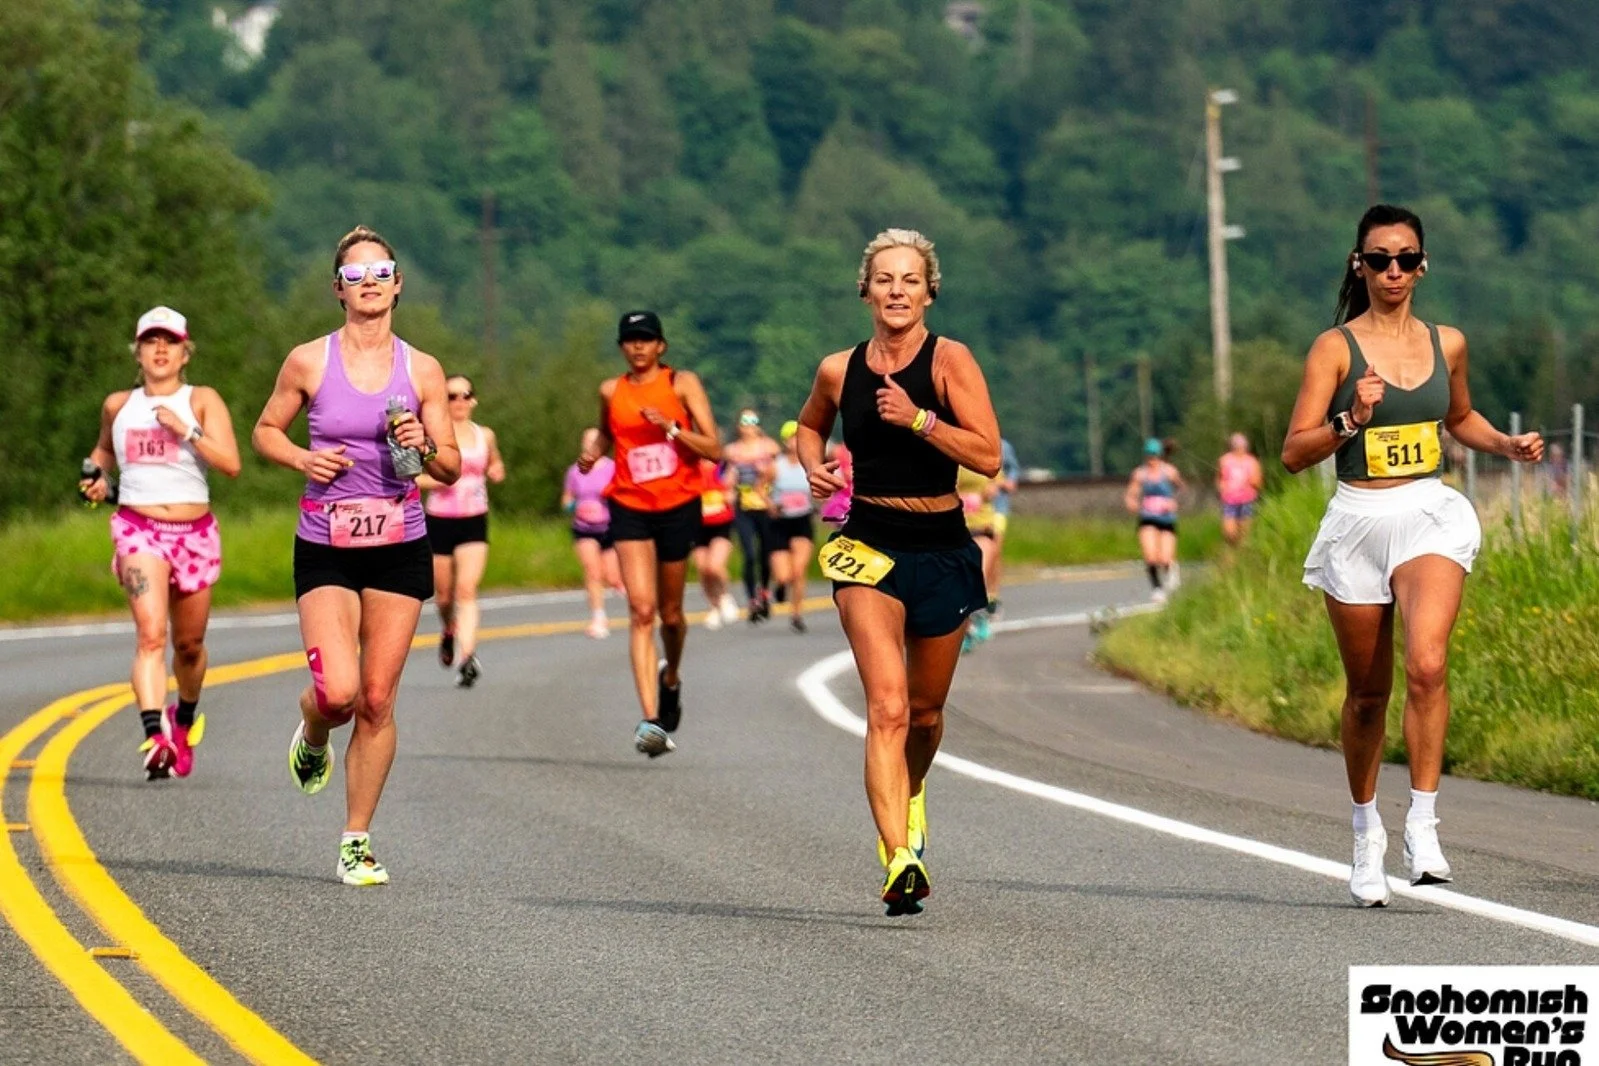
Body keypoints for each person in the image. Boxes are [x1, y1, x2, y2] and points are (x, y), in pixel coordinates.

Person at [1281, 204, 1543, 907]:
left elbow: (1458, 417)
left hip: (1428, 513)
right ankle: (1364, 831)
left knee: (1427, 665)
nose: (1391, 271)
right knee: (1367, 695)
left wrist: (1505, 445)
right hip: (1358, 522)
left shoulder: (1447, 342)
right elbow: (1293, 452)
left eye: (1403, 259)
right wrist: (1350, 419)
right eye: (1378, 259)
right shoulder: (1335, 350)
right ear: (1359, 266)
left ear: (1421, 266)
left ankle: (1422, 825)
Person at [795, 228, 1000, 916]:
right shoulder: (838, 369)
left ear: (929, 291)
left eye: (910, 280)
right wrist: (813, 465)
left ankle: (911, 792)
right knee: (886, 708)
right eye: (884, 279)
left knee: (925, 714)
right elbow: (808, 425)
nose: (897, 291)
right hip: (869, 541)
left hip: (941, 545)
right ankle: (899, 857)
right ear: (865, 290)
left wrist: (919, 421)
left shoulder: (950, 360)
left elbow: (988, 455)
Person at [252, 225, 461, 886]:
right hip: (327, 543)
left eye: (381, 272)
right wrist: (301, 458)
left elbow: (451, 468)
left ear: (398, 285)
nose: (368, 282)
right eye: (355, 274)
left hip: (400, 541)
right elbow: (265, 430)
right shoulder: (307, 361)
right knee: (338, 694)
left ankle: (356, 841)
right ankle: (314, 725)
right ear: (338, 289)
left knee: (375, 699)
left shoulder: (422, 369)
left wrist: (424, 445)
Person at [80, 306, 241, 780]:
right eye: (151, 341)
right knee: (151, 635)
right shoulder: (118, 406)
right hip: (139, 529)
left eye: (170, 342)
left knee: (189, 645)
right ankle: (155, 739)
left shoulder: (202, 400)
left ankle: (183, 721)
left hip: (194, 533)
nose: (160, 350)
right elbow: (102, 452)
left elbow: (231, 464)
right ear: (138, 352)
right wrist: (94, 479)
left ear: (185, 353)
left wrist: (185, 430)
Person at [577, 310, 721, 757]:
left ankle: (670, 677)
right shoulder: (611, 390)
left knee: (671, 615)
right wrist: (592, 453)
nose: (638, 346)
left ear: (661, 346)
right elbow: (607, 432)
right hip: (629, 504)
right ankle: (651, 720)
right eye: (630, 340)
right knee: (641, 610)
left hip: (678, 503)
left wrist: (671, 428)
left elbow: (714, 448)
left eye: (646, 339)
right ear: (622, 346)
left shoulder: (682, 383)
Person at [420, 375, 505, 687]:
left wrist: (495, 470)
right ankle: (448, 630)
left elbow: (494, 463)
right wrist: (439, 479)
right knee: (444, 597)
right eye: (451, 396)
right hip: (440, 519)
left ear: (473, 400)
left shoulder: (485, 435)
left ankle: (467, 657)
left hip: (474, 518)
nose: (458, 401)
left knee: (466, 590)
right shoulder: (432, 436)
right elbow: (412, 476)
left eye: (464, 395)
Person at [563, 427, 623, 640]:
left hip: (608, 527)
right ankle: (598, 617)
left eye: (595, 441)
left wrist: (609, 497)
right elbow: (567, 498)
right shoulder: (575, 470)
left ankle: (619, 583)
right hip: (584, 527)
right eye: (587, 441)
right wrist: (574, 506)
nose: (591, 445)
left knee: (612, 576)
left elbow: (622, 492)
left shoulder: (612, 468)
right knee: (593, 571)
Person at [726, 409, 778, 621]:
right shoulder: (732, 450)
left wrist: (765, 472)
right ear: (739, 426)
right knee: (749, 554)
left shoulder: (769, 446)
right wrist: (728, 486)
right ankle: (751, 600)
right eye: (744, 421)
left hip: (764, 504)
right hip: (743, 507)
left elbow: (776, 473)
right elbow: (725, 475)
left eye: (752, 421)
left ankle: (764, 589)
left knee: (765, 553)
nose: (748, 426)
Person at [768, 422, 818, 633]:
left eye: (798, 437)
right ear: (784, 441)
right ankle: (780, 586)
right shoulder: (775, 466)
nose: (794, 442)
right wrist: (770, 504)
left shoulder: (811, 464)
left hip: (802, 520)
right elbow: (759, 488)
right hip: (780, 522)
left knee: (798, 570)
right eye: (791, 437)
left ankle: (796, 614)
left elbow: (821, 488)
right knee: (784, 575)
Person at [1124, 437, 1184, 602]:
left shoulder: (1169, 471)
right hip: (1148, 517)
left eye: (1155, 455)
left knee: (1164, 558)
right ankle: (1157, 588)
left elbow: (1180, 488)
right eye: (1149, 455)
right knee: (1150, 556)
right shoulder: (1140, 473)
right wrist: (1131, 502)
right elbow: (1132, 492)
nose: (1152, 460)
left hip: (1166, 518)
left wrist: (1174, 501)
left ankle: (1171, 569)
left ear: (1160, 455)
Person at [956, 463, 1002, 649]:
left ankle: (974, 619)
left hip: (982, 527)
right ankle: (964, 626)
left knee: (976, 577)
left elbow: (995, 484)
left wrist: (983, 495)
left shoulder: (984, 457)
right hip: (955, 528)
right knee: (957, 582)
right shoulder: (948, 456)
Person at [692, 457, 739, 630]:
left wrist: (730, 492)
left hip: (720, 524)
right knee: (703, 569)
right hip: (697, 525)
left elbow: (731, 488)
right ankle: (713, 606)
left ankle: (725, 596)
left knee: (714, 567)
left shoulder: (722, 467)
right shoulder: (690, 467)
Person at [986, 438, 1020, 618]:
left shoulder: (1003, 446)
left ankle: (992, 596)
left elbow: (1012, 471)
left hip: (997, 508)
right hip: (972, 511)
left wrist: (1004, 484)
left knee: (994, 551)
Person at [1217, 432, 1264, 547]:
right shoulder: (1224, 460)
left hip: (1247, 500)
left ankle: (1241, 553)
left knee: (1245, 532)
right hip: (1229, 500)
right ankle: (1233, 547)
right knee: (1229, 532)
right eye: (1236, 445)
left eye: (1241, 445)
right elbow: (1219, 478)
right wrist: (1221, 488)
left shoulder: (1252, 461)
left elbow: (1258, 482)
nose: (1239, 448)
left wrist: (1253, 482)